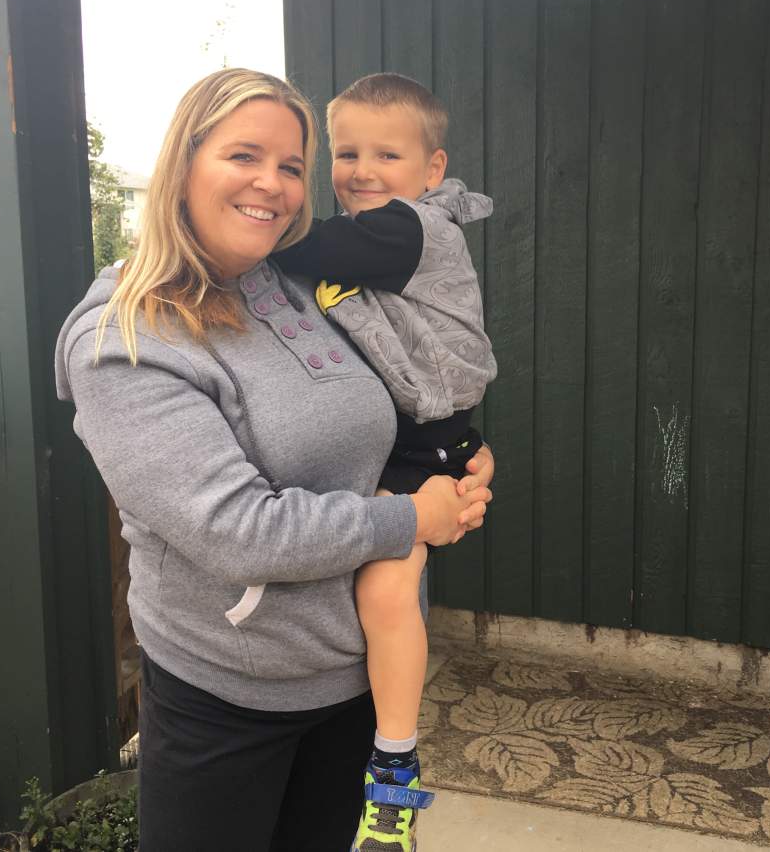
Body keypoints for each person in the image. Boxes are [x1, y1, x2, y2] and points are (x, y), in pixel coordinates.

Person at [53, 68, 494, 851]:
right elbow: (239, 531)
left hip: (352, 680)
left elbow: (395, 392)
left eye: (291, 165)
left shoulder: (297, 283)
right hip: (231, 698)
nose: (274, 184)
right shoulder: (127, 339)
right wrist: (409, 517)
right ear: (184, 163)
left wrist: (460, 462)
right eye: (244, 156)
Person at [273, 73, 495, 852]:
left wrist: (234, 215)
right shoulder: (372, 230)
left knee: (387, 587)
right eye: (346, 153)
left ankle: (394, 766)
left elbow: (297, 246)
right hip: (421, 435)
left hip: (421, 441)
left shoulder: (410, 230)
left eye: (387, 154)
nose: (362, 169)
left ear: (432, 171)